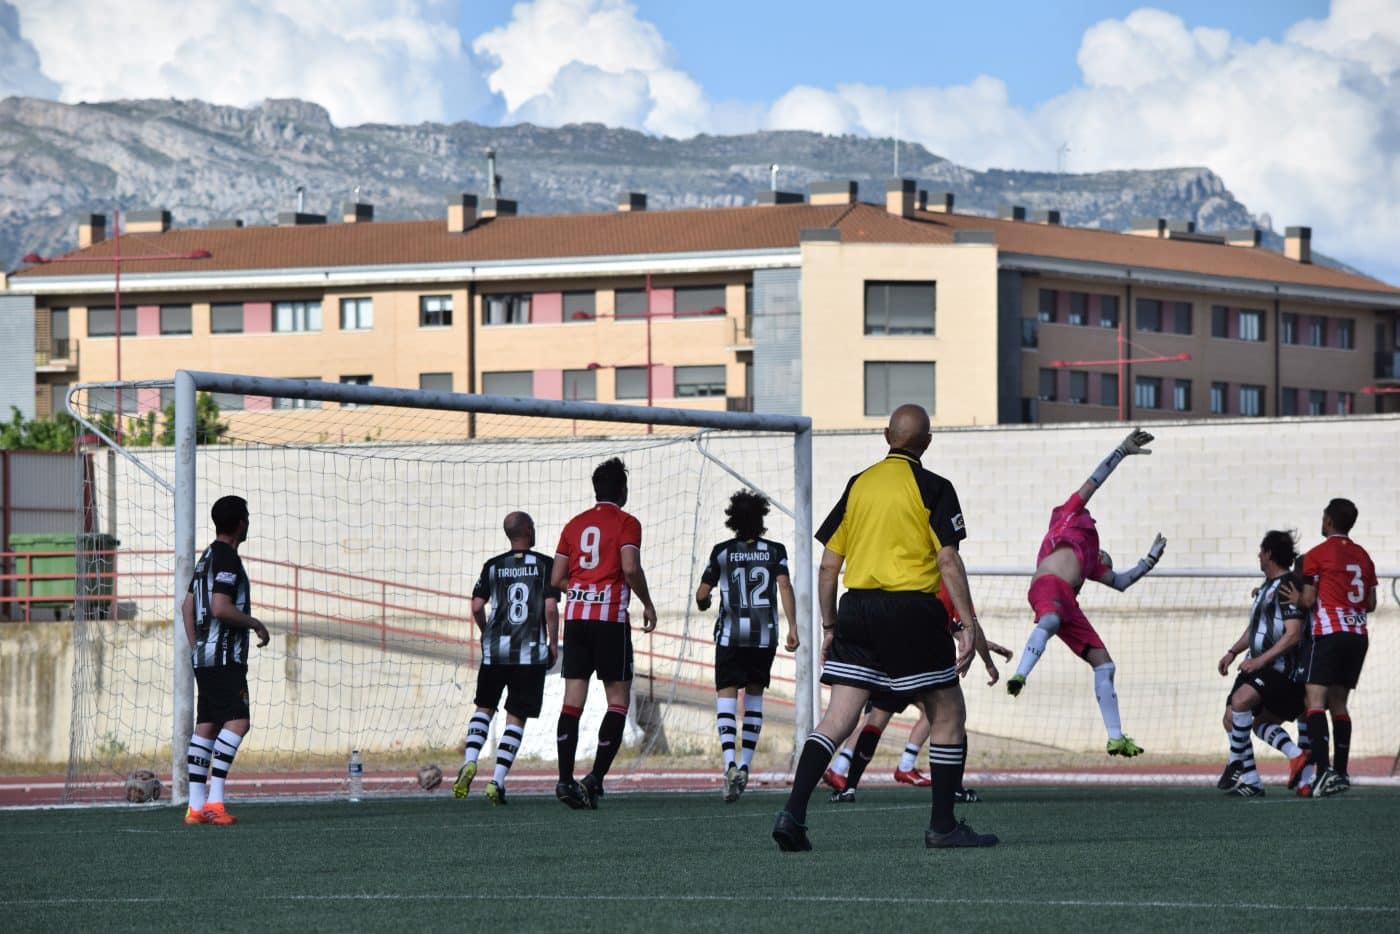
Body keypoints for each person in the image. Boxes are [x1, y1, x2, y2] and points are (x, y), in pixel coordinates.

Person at [771, 404, 998, 851]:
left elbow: (827, 567)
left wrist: (830, 624)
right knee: (948, 713)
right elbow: (948, 560)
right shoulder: (935, 487)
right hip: (912, 612)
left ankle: (792, 815)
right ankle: (943, 826)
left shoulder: (859, 485)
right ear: (927, 443)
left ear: (885, 435)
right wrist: (969, 623)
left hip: (857, 609)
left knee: (837, 719)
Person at [1006, 429, 1166, 758]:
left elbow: (1121, 582)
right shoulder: (1069, 516)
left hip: (1070, 606)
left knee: (1105, 665)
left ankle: (1116, 737)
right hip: (1049, 586)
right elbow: (1095, 481)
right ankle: (1020, 674)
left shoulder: (1090, 561)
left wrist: (1149, 561)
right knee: (1049, 618)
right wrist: (1122, 451)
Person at [824, 587, 1010, 803]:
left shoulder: (904, 577)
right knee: (950, 718)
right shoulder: (949, 582)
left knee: (875, 719)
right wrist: (988, 661)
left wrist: (987, 647)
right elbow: (964, 627)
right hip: (923, 661)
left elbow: (951, 627)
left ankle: (849, 787)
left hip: (890, 653)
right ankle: (952, 788)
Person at [551, 457, 658, 809]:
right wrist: (647, 602)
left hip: (577, 620)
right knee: (617, 701)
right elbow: (630, 567)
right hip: (610, 621)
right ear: (623, 492)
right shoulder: (628, 523)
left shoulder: (574, 525)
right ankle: (595, 778)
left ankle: (565, 781)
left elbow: (557, 580)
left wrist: (582, 588)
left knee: (572, 702)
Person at [695, 490, 799, 803]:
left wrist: (706, 601)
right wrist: (793, 627)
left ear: (732, 520)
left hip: (730, 637)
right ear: (762, 518)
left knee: (726, 696)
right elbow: (783, 584)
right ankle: (745, 765)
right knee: (754, 699)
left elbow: (701, 595)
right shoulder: (775, 551)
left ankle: (729, 764)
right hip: (763, 637)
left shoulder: (721, 551)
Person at [453, 511, 560, 806]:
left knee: (484, 707)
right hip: (529, 654)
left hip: (495, 651)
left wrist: (486, 631)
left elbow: (476, 605)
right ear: (527, 530)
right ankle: (497, 781)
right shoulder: (544, 565)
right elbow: (550, 609)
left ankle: (470, 760)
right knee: (516, 716)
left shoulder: (493, 566)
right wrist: (553, 643)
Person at [180, 495, 270, 826]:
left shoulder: (206, 558)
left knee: (207, 726)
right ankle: (215, 802)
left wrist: (195, 646)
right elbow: (220, 607)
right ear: (241, 524)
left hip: (204, 656)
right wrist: (255, 623)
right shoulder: (228, 559)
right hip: (223, 657)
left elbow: (187, 607)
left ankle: (195, 807)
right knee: (237, 722)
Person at [1283, 498, 1377, 798]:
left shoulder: (1317, 555)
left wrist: (1295, 599)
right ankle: (1342, 772)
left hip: (1330, 634)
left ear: (1328, 521)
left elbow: (1309, 601)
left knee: (1314, 699)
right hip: (1358, 634)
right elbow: (1371, 603)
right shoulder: (1364, 556)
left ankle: (1323, 773)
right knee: (1339, 702)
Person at [1214, 530, 1309, 797]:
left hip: (1278, 669)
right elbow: (1255, 628)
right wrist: (1232, 652)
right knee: (1233, 720)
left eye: (1260, 550)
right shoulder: (1266, 587)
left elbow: (1293, 634)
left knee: (1241, 701)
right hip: (1256, 665)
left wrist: (1259, 660)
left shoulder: (1289, 586)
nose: (1258, 555)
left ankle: (1235, 761)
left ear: (1269, 554)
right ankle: (1257, 778)